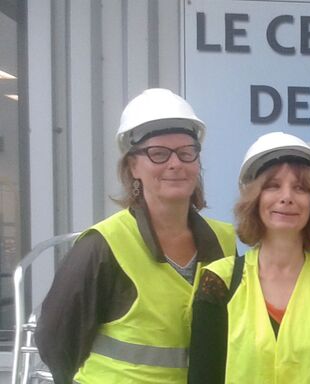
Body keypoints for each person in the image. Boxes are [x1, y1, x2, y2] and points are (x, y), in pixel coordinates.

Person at [34, 88, 237, 383]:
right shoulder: (103, 245)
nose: (175, 164)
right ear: (133, 165)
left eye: (186, 152)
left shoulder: (225, 241)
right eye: (158, 154)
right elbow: (55, 341)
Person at [188, 131, 310, 383]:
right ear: (254, 198)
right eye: (273, 186)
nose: (287, 197)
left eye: (300, 188)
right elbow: (203, 377)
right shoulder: (220, 282)